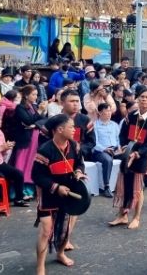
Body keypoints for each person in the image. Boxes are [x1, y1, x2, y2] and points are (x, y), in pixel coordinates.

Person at [32, 114, 88, 274]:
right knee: (45, 230)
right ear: (60, 129)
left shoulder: (74, 145)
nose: (74, 130)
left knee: (65, 227)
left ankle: (60, 253)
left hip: (67, 193)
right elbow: (36, 176)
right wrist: (56, 187)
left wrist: (78, 172)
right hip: (48, 194)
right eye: (71, 127)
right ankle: (40, 267)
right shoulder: (45, 150)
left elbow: (79, 163)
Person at [110, 88, 147, 230]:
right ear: (137, 98)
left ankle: (136, 217)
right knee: (122, 184)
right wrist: (125, 147)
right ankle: (122, 215)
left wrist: (138, 153)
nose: (144, 99)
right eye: (142, 96)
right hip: (127, 154)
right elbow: (123, 134)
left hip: (142, 156)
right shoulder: (131, 115)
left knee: (137, 188)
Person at [0, 114, 28, 208]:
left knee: (18, 174)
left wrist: (6, 148)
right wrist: (0, 148)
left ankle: (19, 199)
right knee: (0, 177)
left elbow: (2, 154)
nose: (1, 121)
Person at [14, 85, 49, 201]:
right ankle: (19, 189)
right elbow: (27, 120)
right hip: (24, 139)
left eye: (36, 94)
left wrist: (35, 125)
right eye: (33, 94)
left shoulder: (34, 106)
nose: (36, 97)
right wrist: (38, 112)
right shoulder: (20, 108)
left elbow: (44, 120)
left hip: (35, 138)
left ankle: (29, 188)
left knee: (31, 163)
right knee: (21, 162)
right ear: (26, 95)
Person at [91, 103, 122, 198]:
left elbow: (118, 139)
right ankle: (106, 187)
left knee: (129, 156)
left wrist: (119, 148)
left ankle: (127, 184)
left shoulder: (115, 125)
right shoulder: (94, 125)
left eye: (110, 111)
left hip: (114, 149)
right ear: (100, 113)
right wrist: (104, 149)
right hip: (100, 150)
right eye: (106, 111)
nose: (109, 113)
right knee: (108, 160)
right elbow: (94, 142)